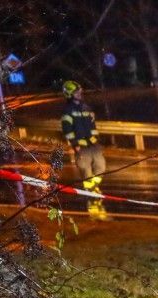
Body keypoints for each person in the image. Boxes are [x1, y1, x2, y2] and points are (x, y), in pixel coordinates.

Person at [60, 80, 109, 220]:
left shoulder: (86, 107)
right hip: (81, 147)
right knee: (86, 170)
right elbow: (67, 130)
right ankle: (91, 194)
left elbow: (93, 126)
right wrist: (75, 144)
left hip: (93, 145)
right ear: (69, 94)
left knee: (101, 167)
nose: (80, 93)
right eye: (76, 92)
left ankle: (94, 187)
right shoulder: (68, 111)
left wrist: (97, 140)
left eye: (80, 91)